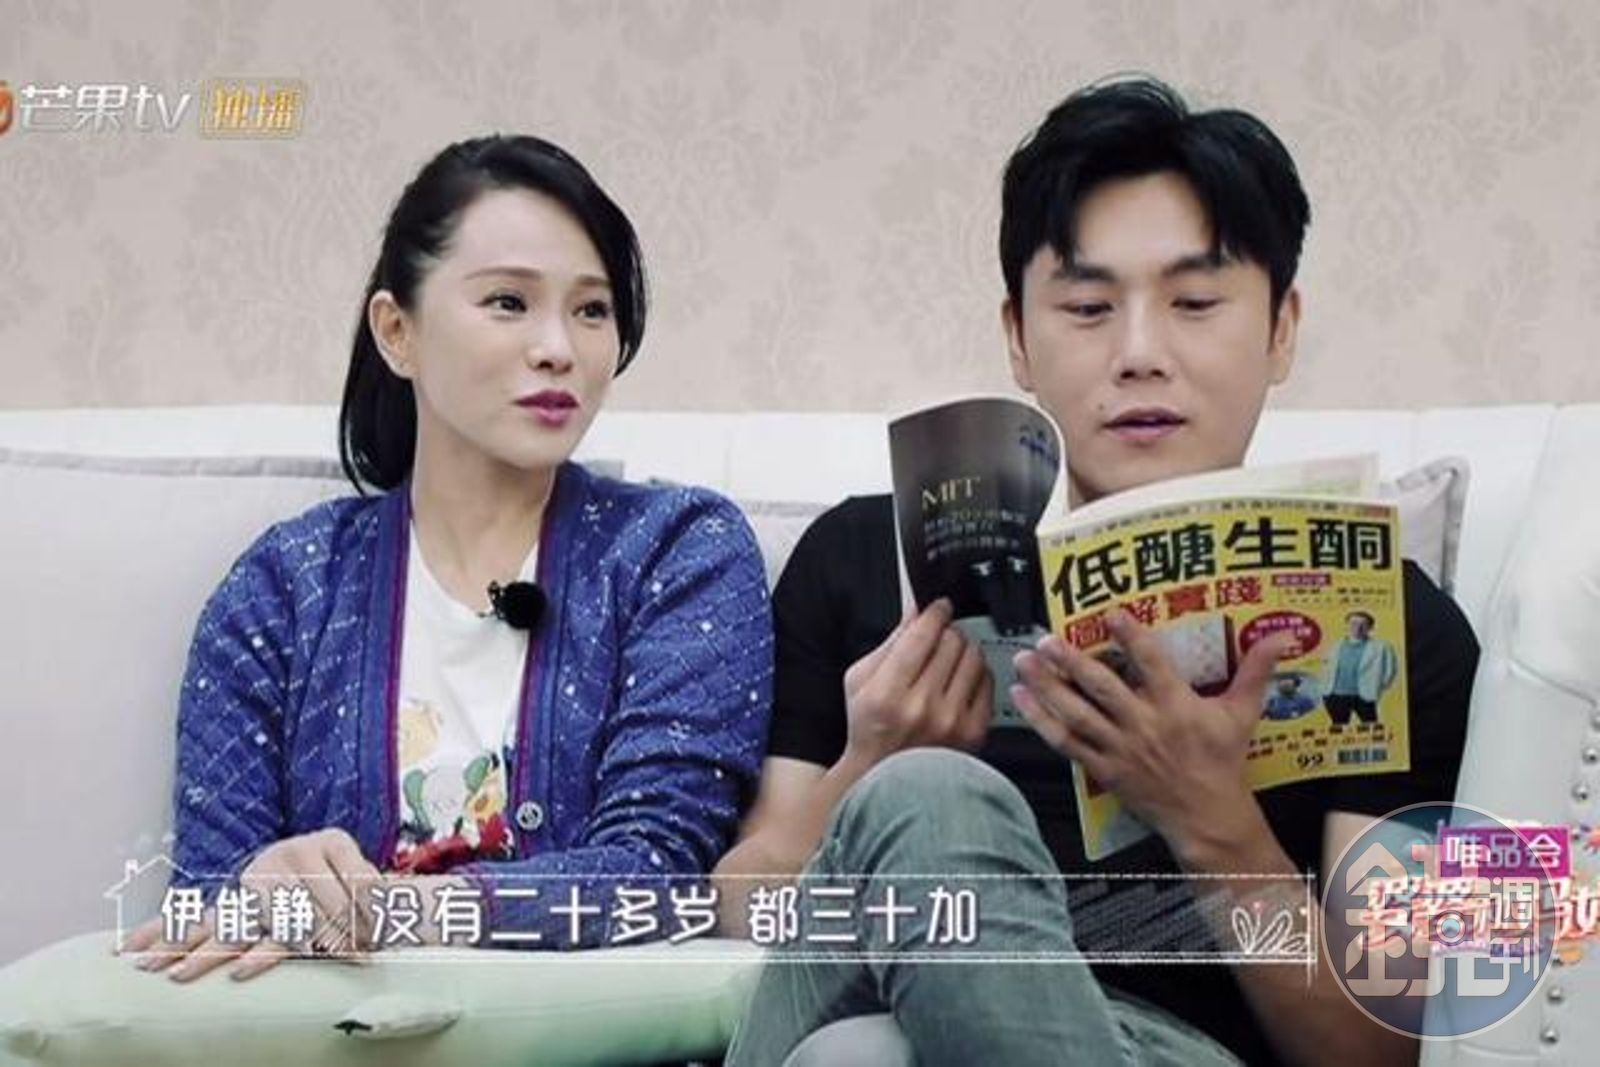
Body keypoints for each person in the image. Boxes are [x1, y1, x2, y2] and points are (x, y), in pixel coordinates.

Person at [716, 77, 1478, 1066]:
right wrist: (870, 766)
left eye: (1194, 302)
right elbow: (744, 906)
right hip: (858, 993)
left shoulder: (1399, 628)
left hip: (1173, 1046)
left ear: (1281, 328)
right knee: (923, 812)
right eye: (1086, 307)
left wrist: (1212, 820)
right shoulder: (867, 557)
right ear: (1017, 338)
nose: (1139, 354)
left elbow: (1383, 1048)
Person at [118, 134, 773, 981]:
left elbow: (661, 872)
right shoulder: (283, 588)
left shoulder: (677, 553)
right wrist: (258, 882)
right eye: (508, 302)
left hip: (594, 1032)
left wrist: (399, 911)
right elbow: (204, 916)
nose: (559, 348)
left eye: (591, 310)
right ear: (398, 331)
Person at [1321, 611, 1399, 725]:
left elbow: (1391, 670)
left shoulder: (1382, 646)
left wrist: (1379, 687)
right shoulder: (1335, 645)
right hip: (1335, 695)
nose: (1357, 628)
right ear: (1346, 625)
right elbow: (1326, 667)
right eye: (1353, 623)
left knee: (1371, 727)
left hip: (1364, 695)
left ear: (1370, 628)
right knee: (1339, 727)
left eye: (1363, 624)